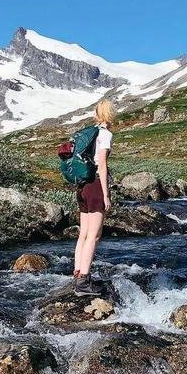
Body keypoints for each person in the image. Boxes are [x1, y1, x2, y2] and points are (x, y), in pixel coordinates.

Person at [73, 99, 115, 294]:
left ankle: (77, 274)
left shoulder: (88, 134)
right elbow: (102, 165)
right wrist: (106, 194)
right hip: (96, 185)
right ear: (110, 114)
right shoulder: (105, 135)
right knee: (94, 235)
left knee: (83, 233)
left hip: (82, 186)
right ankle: (83, 280)